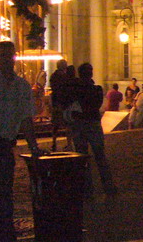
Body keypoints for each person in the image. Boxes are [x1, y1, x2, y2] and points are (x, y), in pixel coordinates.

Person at [0, 42, 41, 242]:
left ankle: (4, 237)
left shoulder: (21, 86)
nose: (6, 60)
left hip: (4, 145)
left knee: (4, 192)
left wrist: (33, 146)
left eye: (9, 56)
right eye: (2, 56)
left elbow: (26, 119)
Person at [61, 63, 116, 196]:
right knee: (99, 156)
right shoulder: (96, 89)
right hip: (92, 124)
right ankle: (107, 185)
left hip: (80, 124)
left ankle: (87, 188)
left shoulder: (75, 89)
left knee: (83, 157)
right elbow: (95, 106)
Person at [48, 58, 71, 151]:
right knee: (67, 124)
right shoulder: (66, 77)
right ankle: (69, 143)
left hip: (56, 103)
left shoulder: (53, 76)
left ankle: (54, 142)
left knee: (55, 125)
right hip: (64, 103)